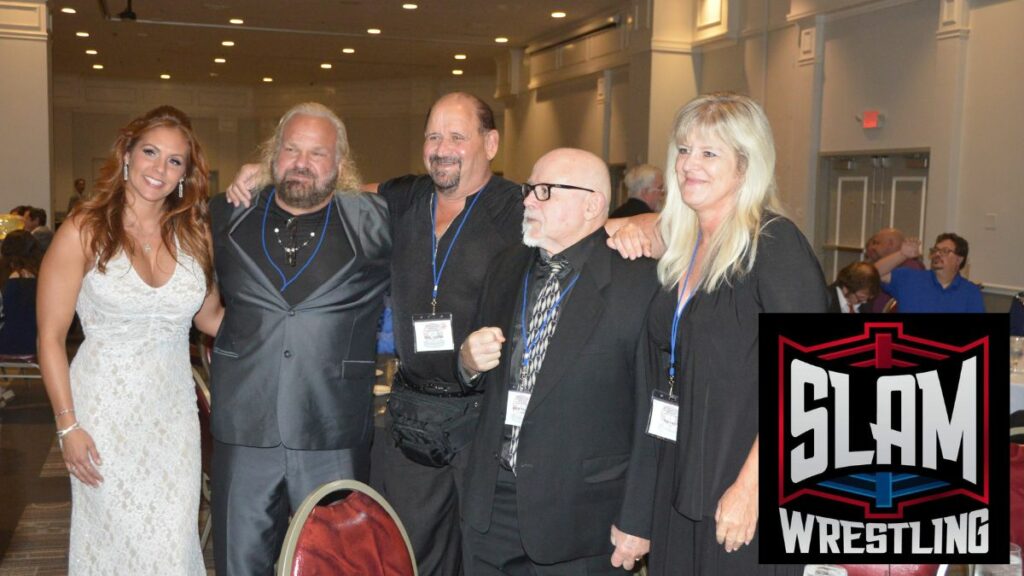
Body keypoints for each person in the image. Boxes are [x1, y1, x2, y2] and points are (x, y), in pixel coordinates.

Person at [224, 93, 651, 576]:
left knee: (473, 559)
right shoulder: (403, 197)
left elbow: (579, 227)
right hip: (410, 421)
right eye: (432, 136)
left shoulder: (519, 206)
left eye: (456, 136)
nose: (441, 147)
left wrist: (634, 226)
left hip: (481, 423)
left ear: (490, 143)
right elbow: (328, 187)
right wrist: (265, 174)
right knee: (406, 557)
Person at [631, 93, 828, 575]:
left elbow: (810, 380)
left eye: (708, 153)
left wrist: (751, 489)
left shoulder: (775, 246)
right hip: (679, 478)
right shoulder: (684, 250)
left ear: (746, 166)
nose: (688, 165)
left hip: (744, 490)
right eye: (683, 150)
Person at [36, 105, 224, 574]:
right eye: (151, 152)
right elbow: (50, 337)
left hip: (172, 417)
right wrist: (67, 427)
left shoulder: (195, 235)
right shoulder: (83, 230)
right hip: (103, 416)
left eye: (175, 161)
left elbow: (212, 319)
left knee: (172, 541)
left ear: (185, 174)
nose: (159, 169)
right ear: (127, 155)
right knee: (114, 542)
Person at [209, 101, 391, 576]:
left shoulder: (374, 220)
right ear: (273, 153)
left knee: (339, 564)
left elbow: (453, 203)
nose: (302, 162)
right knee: (239, 563)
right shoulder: (226, 214)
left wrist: (607, 225)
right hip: (244, 426)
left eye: (317, 153)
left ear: (340, 163)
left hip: (332, 425)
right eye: (291, 149)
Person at [458, 148, 658, 574]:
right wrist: (468, 363)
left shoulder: (638, 283)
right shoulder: (506, 266)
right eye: (530, 189)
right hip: (491, 507)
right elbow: (483, 372)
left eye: (545, 191)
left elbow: (653, 416)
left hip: (580, 518)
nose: (528, 200)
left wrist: (639, 517)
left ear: (592, 204)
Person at [873, 232, 984, 313]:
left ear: (958, 260)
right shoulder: (910, 278)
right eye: (935, 250)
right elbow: (873, 273)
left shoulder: (970, 292)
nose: (937, 254)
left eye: (945, 251)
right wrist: (902, 254)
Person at [0, 229, 42, 407]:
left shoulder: (6, 283)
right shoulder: (43, 280)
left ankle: (2, 391)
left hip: (7, 343)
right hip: (37, 344)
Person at [862, 227, 923, 313]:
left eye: (877, 243)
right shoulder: (881, 264)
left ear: (890, 243)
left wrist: (903, 253)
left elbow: (872, 274)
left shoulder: (910, 266)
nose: (873, 247)